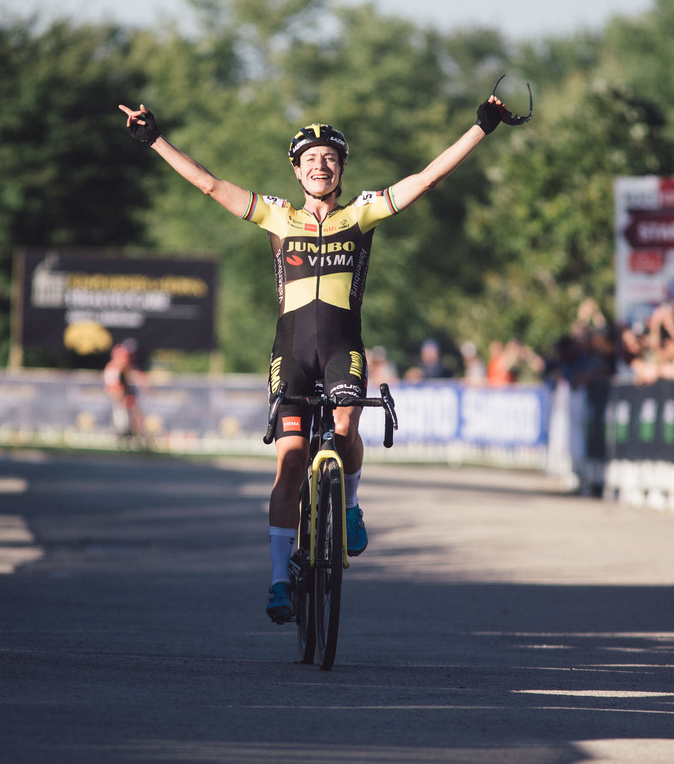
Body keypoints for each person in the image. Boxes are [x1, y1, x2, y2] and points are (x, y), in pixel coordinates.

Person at [120, 89, 512, 622]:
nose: (320, 166)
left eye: (329, 158)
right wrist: (154, 140)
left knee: (347, 425)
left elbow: (425, 180)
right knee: (288, 463)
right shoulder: (278, 218)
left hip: (342, 347)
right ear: (297, 173)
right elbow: (210, 184)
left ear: (342, 168)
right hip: (291, 353)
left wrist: (481, 127)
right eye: (310, 160)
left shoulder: (361, 214)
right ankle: (280, 580)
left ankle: (349, 506)